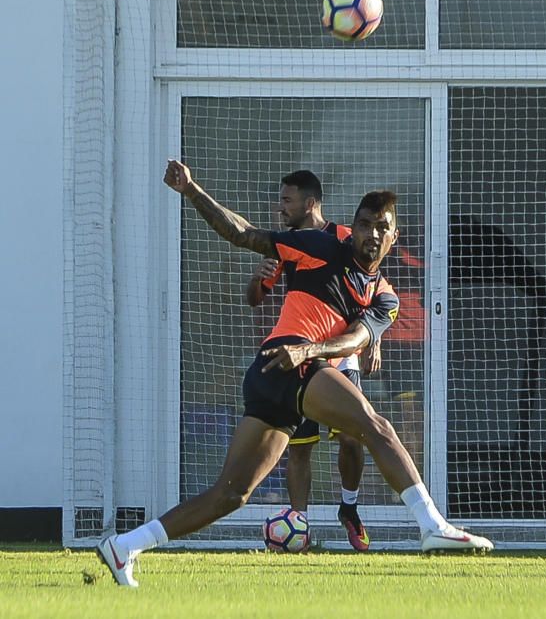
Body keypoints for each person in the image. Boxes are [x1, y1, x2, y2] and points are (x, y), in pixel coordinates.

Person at [96, 160, 492, 587]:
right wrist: (191, 190)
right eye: (364, 224)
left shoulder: (386, 297)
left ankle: (124, 547)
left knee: (231, 494)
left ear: (394, 237)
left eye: (382, 227)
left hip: (295, 367)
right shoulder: (320, 246)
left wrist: (312, 348)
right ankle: (433, 526)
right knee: (376, 426)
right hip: (280, 364)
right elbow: (243, 234)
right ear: (350, 228)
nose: (371, 234)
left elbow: (357, 339)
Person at [245, 169, 377, 552]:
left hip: (340, 355)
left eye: (287, 200)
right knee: (300, 447)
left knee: (354, 437)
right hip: (299, 361)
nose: (280, 208)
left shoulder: (343, 239)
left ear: (310, 203)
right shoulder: (287, 246)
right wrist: (258, 279)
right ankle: (298, 527)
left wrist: (372, 339)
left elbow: (369, 291)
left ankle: (348, 509)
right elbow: (256, 298)